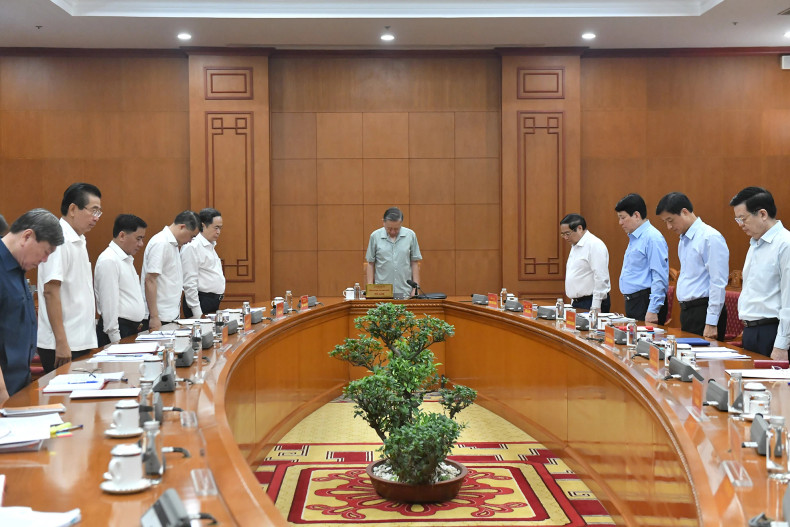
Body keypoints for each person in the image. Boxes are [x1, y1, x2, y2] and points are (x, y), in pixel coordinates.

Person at [37, 183, 102, 373]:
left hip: (78, 340)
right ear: (73, 209)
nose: (96, 218)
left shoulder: (78, 239)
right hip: (62, 344)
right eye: (93, 211)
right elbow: (50, 291)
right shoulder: (59, 239)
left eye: (99, 212)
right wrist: (61, 342)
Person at [0, 209, 63, 403]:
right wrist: (2, 393)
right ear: (27, 236)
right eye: (46, 252)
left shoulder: (17, 268)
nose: (45, 260)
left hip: (18, 384)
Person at [656, 192, 729, 340]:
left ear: (684, 212)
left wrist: (711, 322)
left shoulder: (710, 237)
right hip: (688, 312)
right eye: (665, 222)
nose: (669, 227)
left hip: (704, 312)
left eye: (670, 220)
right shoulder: (684, 240)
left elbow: (718, 282)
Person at [730, 187, 790, 359]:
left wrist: (781, 345)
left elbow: (788, 300)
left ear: (763, 214)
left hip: (772, 333)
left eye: (743, 219)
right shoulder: (755, 244)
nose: (740, 224)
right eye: (737, 219)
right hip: (751, 331)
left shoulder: (785, 244)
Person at [94, 214, 148, 346]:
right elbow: (109, 304)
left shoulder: (126, 259)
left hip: (130, 329)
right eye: (138, 239)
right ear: (122, 235)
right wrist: (115, 339)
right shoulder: (109, 260)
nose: (141, 244)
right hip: (118, 331)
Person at [141, 210, 200, 331]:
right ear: (182, 227)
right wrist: (154, 317)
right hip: (159, 316)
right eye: (191, 236)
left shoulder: (173, 244)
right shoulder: (161, 243)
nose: (190, 241)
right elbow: (150, 280)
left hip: (169, 315)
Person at [615, 193, 669, 324]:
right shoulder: (635, 238)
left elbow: (659, 275)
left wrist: (653, 310)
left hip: (646, 303)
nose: (620, 223)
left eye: (623, 218)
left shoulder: (652, 237)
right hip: (634, 302)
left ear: (636, 215)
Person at [366, 207, 422, 298]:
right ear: (383, 222)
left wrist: (415, 288)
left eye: (396, 229)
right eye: (389, 228)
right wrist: (370, 289)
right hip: (382, 291)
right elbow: (370, 263)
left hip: (404, 290)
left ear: (401, 223)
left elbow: (414, 263)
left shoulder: (410, 235)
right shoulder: (375, 236)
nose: (392, 232)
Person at [560, 214, 611, 312]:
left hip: (591, 302)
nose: (565, 237)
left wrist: (596, 306)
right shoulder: (575, 245)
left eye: (567, 233)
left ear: (579, 228)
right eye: (563, 234)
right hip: (578, 302)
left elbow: (601, 277)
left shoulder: (594, 245)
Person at [181, 208, 225, 318]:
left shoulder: (210, 246)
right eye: (216, 228)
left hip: (213, 301)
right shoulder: (192, 247)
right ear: (203, 225)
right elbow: (189, 283)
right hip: (200, 302)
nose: (218, 232)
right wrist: (197, 313)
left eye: (220, 228)